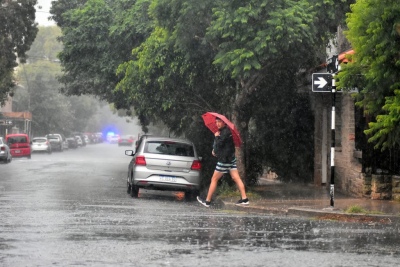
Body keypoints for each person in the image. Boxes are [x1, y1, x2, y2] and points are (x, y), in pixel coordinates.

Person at [197, 117, 249, 207]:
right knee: (236, 178)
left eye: (219, 122)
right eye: (216, 122)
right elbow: (224, 146)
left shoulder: (224, 132)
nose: (217, 124)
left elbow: (220, 144)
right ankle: (245, 199)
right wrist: (215, 149)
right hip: (231, 159)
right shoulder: (227, 132)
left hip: (224, 161)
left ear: (224, 123)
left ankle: (207, 201)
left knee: (214, 179)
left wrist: (217, 137)